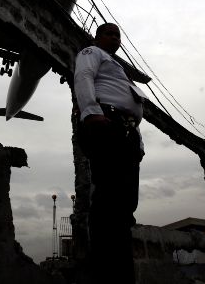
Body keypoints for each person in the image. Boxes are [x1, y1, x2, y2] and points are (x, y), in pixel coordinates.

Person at [73, 22, 146, 284]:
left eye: (118, 34)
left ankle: (122, 274)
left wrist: (138, 142)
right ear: (97, 36)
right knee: (108, 201)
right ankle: (105, 273)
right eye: (109, 33)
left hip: (125, 133)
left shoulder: (119, 68)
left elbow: (132, 105)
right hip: (106, 124)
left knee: (125, 208)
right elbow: (83, 78)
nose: (115, 38)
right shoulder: (91, 53)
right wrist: (91, 111)